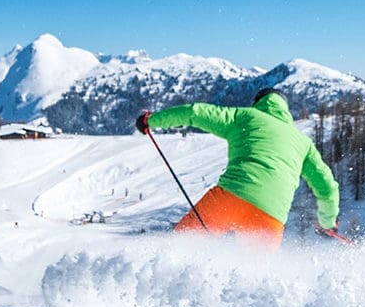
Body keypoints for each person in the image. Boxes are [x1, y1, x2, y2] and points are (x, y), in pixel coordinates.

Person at [136, 88, 340, 249]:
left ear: (258, 103)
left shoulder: (246, 116)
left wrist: (151, 120)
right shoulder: (304, 144)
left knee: (179, 249)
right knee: (253, 281)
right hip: (270, 216)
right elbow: (327, 187)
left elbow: (195, 112)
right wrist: (327, 223)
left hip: (230, 198)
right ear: (286, 110)